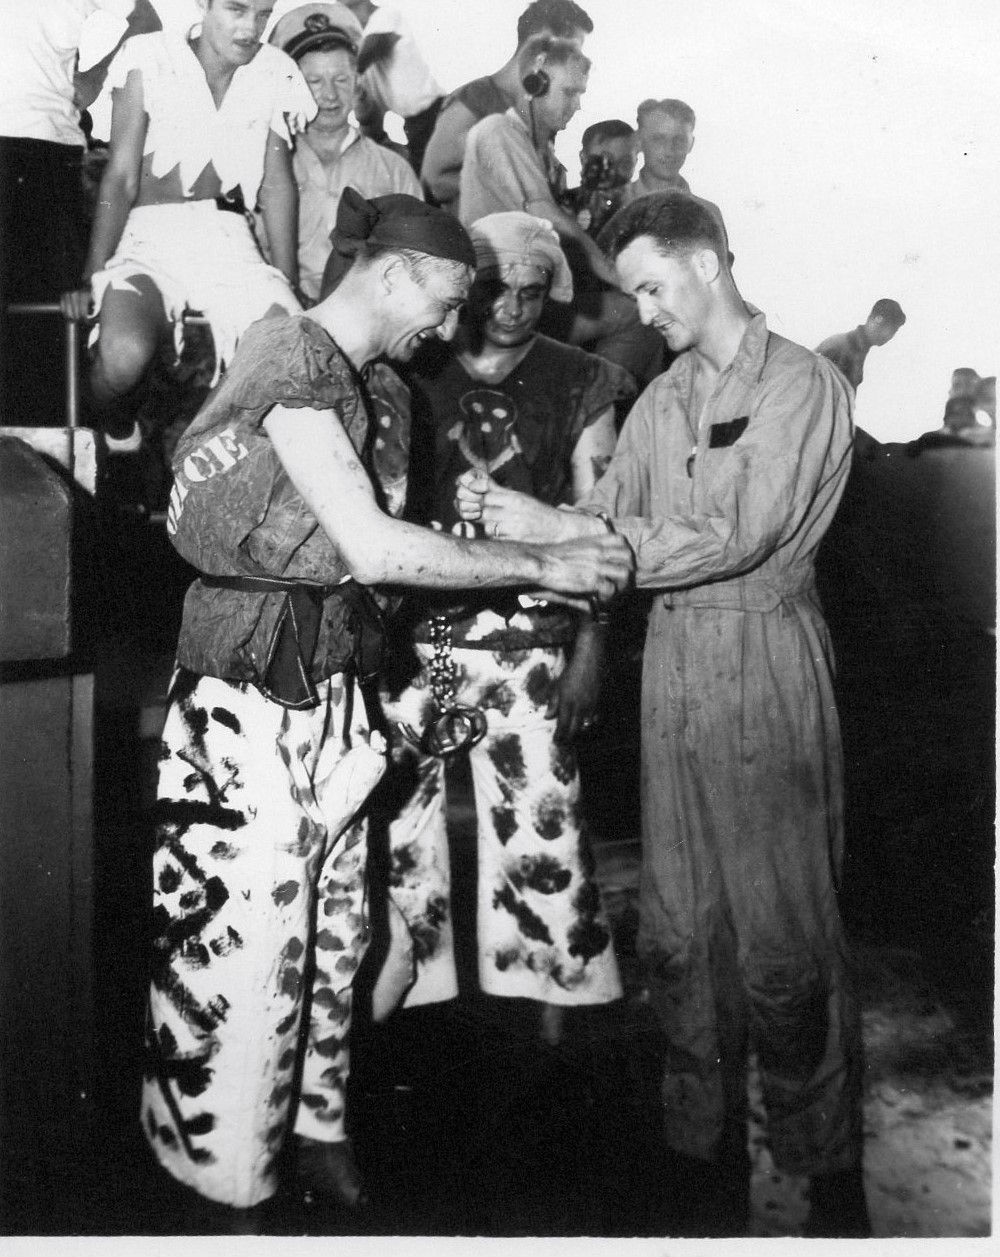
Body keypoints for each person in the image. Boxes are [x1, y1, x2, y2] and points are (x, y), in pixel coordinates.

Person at [141, 188, 632, 1224]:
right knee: (246, 947)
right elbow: (370, 547)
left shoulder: (381, 391)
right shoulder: (291, 358)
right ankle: (225, 1183)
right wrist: (543, 560)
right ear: (397, 273)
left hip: (335, 684)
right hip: (247, 694)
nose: (449, 328)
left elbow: (373, 570)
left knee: (341, 927)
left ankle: (318, 1127)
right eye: (447, 302)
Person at [456, 191, 870, 1239]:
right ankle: (700, 1152)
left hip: (766, 655)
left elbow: (737, 532)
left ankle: (826, 1168)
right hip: (675, 662)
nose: (641, 311)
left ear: (708, 263)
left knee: (786, 940)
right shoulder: (660, 399)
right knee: (683, 933)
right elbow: (606, 515)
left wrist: (563, 532)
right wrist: (520, 522)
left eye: (650, 286)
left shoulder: (802, 385)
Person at [373, 212, 633, 1033]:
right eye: (496, 288)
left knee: (544, 831)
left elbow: (601, 526)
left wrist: (592, 645)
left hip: (530, 644)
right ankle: (407, 1009)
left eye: (532, 288)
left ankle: (555, 1016)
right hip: (417, 638)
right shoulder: (414, 359)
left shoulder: (582, 380)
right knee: (399, 830)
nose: (513, 306)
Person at [62, 0, 318, 448]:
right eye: (237, 9)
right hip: (149, 239)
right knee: (122, 357)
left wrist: (289, 281)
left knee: (289, 347)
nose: (251, 27)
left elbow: (277, 186)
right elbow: (120, 177)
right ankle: (113, 431)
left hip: (231, 242)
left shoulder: (277, 69)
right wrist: (91, 274)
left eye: (263, 13)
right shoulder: (148, 56)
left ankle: (217, 458)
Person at [459, 37, 659, 389]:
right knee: (636, 317)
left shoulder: (547, 160)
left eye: (580, 94)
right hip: (498, 299)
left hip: (529, 292)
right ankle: (587, 407)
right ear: (535, 84)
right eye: (569, 93)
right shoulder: (498, 132)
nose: (577, 105)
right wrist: (621, 277)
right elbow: (547, 217)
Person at [0, 0, 161, 425]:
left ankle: (56, 456)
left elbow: (146, 20)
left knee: (47, 331)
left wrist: (93, 76)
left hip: (42, 150)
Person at [267, 2, 420, 303]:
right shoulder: (268, 167)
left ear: (357, 82)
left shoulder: (394, 170)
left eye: (340, 79)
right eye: (314, 82)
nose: (330, 95)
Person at [421, 0, 593, 213]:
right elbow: (435, 182)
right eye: (573, 49)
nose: (578, 59)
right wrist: (517, 194)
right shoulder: (475, 99)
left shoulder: (537, 107)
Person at [335, 0, 443, 177]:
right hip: (413, 124)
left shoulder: (386, 17)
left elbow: (368, 52)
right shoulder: (361, 44)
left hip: (433, 113)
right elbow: (369, 116)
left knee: (430, 176)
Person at [617, 97, 700, 209]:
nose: (669, 151)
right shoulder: (616, 206)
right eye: (659, 139)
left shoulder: (707, 213)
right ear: (639, 141)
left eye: (679, 140)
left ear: (691, 144)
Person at [815, 298, 906, 392]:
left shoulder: (858, 348)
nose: (891, 336)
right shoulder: (841, 345)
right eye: (892, 329)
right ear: (878, 320)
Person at [566, 118, 637, 239]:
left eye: (625, 164)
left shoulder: (645, 209)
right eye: (603, 163)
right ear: (583, 158)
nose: (613, 173)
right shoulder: (563, 206)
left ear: (636, 161)